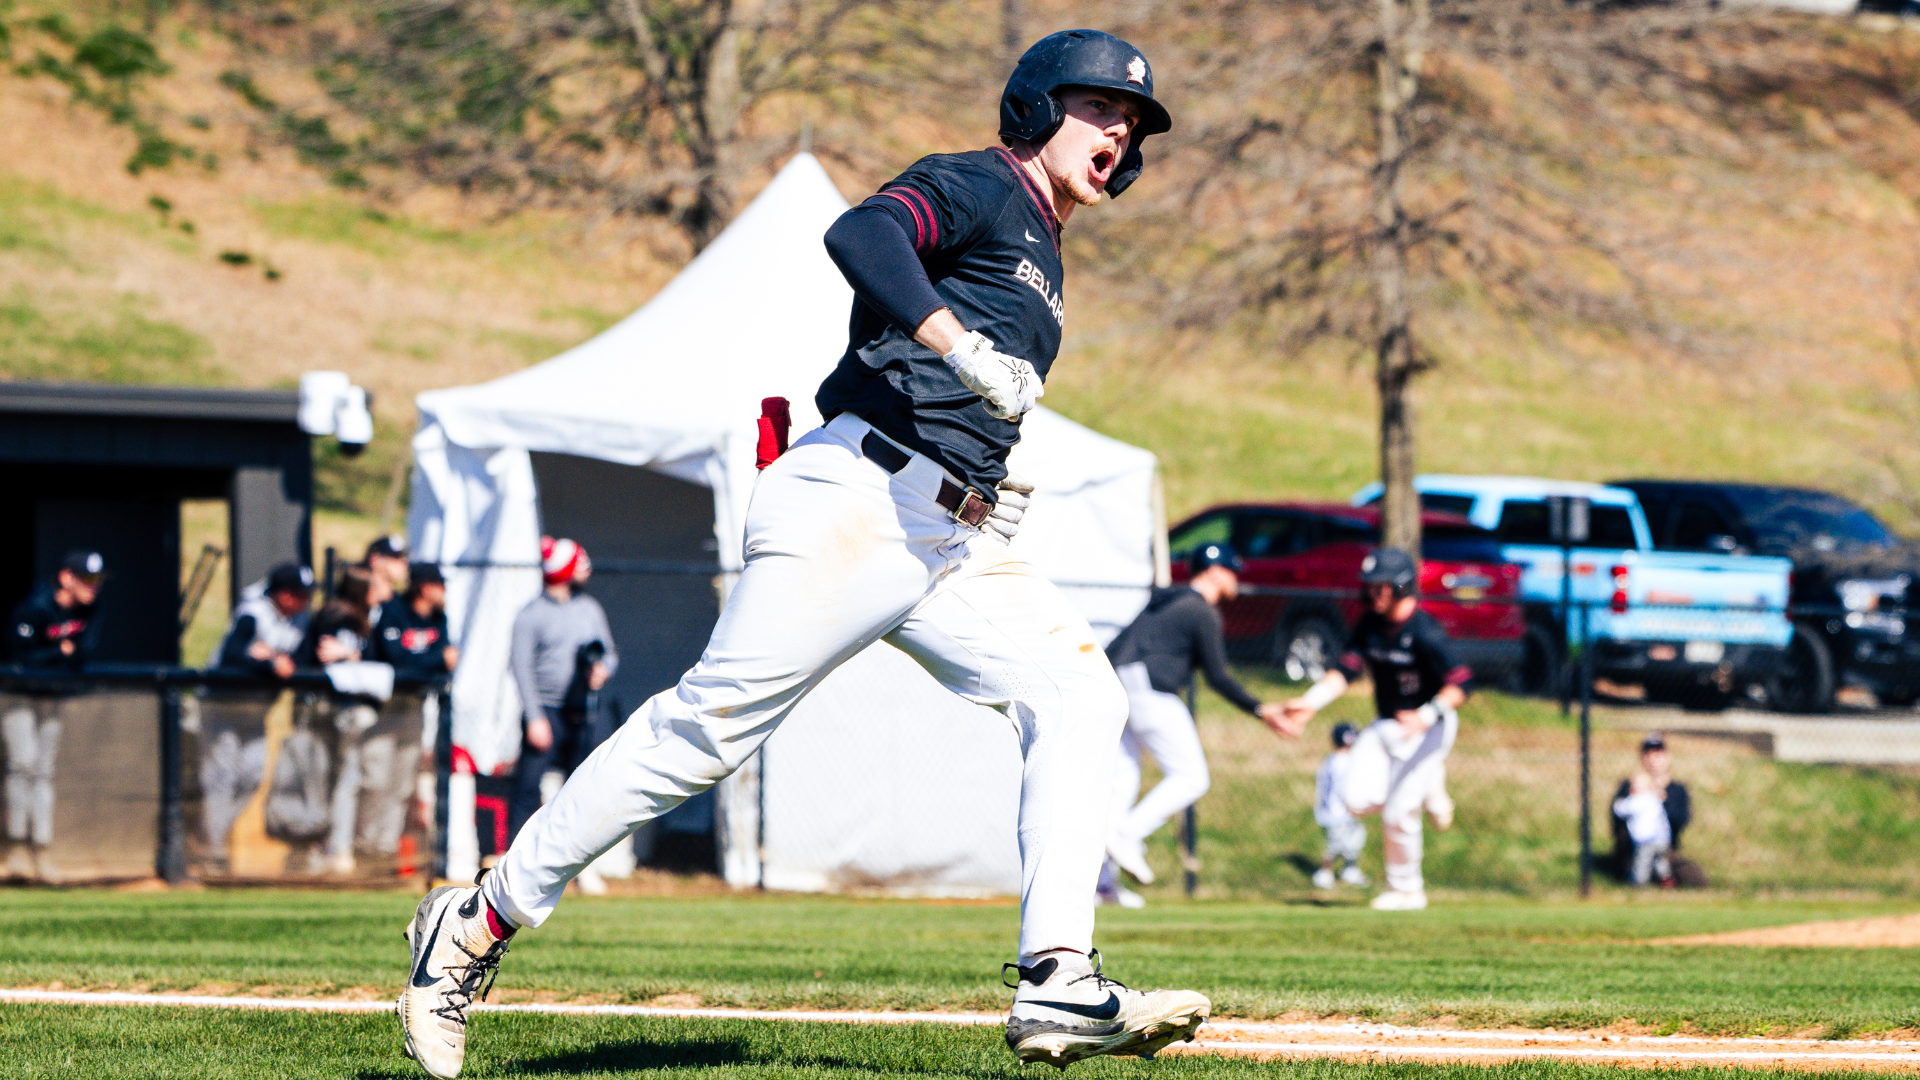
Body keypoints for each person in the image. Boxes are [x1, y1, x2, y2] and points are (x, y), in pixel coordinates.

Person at [398, 30, 1206, 1079]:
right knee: (705, 734)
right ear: (1037, 106)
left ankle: (1057, 980)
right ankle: (476, 917)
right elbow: (862, 236)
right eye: (1100, 107)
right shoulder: (981, 183)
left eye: (1132, 120)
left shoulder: (1046, 244)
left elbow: (949, 393)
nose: (1120, 130)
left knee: (1081, 699)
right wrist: (960, 346)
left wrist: (985, 481)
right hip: (857, 500)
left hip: (942, 532)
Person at [1099, 543, 1298, 907]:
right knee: (1192, 777)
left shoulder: (1166, 601)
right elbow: (1218, 676)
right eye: (1232, 570)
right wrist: (1260, 709)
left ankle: (1102, 886)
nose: (1236, 578)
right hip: (1151, 688)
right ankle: (1127, 834)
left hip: (1118, 686)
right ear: (1215, 572)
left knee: (1123, 781)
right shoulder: (1199, 610)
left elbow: (1114, 648)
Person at [1283, 548, 1470, 911]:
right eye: (1371, 586)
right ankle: (1428, 785)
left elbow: (1460, 685)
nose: (1373, 594)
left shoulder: (1425, 630)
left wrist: (1426, 714)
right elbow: (1344, 671)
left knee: (1399, 811)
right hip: (1388, 725)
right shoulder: (1369, 625)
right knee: (1353, 799)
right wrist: (1310, 702)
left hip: (1429, 727)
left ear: (1402, 586)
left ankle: (1407, 890)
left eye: (1381, 587)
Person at [202, 562, 313, 872]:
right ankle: (212, 850)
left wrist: (275, 659)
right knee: (221, 779)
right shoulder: (254, 611)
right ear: (281, 594)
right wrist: (266, 663)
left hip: (256, 710)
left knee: (251, 776)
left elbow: (302, 658)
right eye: (297, 594)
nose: (304, 601)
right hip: (222, 703)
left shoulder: (299, 620)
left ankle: (213, 836)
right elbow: (231, 655)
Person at [3, 550, 106, 881]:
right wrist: (57, 653)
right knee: (23, 765)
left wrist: (57, 655)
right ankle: (14, 850)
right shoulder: (35, 606)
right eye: (87, 580)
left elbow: (84, 651)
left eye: (97, 580)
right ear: (66, 578)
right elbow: (18, 655)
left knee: (43, 772)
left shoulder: (90, 611)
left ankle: (42, 851)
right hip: (17, 695)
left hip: (52, 697)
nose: (94, 587)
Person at [1611, 733, 1695, 885]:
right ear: (1642, 757)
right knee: (1638, 869)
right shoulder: (1630, 786)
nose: (1653, 758)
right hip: (1636, 846)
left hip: (1665, 847)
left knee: (1693, 877)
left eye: (1658, 753)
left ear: (1667, 757)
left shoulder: (1677, 789)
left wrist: (1661, 801)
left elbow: (1681, 820)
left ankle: (1664, 879)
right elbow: (1617, 816)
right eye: (1648, 753)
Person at [1312, 722, 1369, 891]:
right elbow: (1341, 789)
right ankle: (1324, 872)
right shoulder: (1340, 761)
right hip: (1337, 811)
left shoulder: (1335, 759)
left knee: (1355, 840)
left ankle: (1349, 870)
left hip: (1344, 811)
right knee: (1335, 845)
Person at [1611, 770, 1671, 886]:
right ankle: (1666, 878)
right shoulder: (1655, 800)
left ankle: (1638, 882)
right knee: (1659, 861)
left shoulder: (1640, 800)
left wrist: (1617, 804)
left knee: (1642, 862)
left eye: (1636, 787)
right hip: (1662, 839)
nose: (1633, 790)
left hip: (1646, 840)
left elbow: (1623, 809)